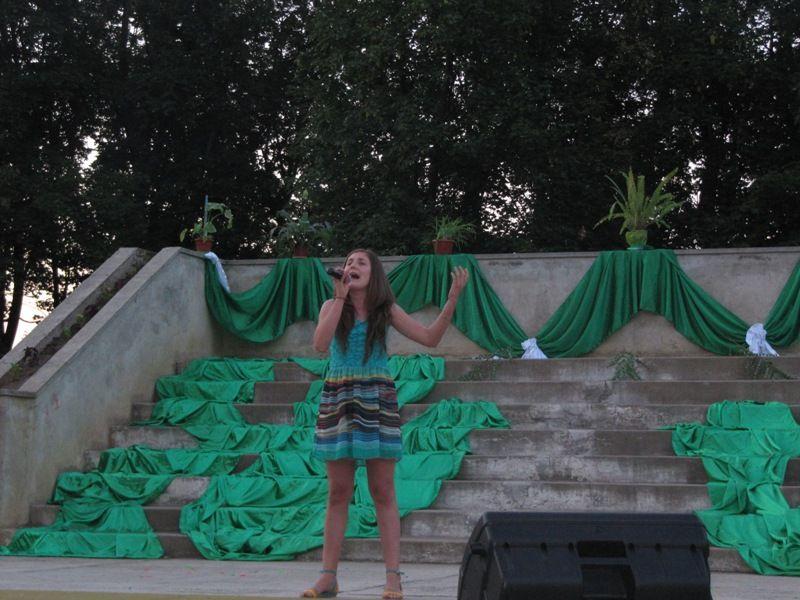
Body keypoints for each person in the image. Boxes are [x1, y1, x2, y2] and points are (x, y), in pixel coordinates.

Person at [301, 249, 468, 599]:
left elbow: (430, 338)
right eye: (349, 262)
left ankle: (394, 578)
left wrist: (452, 300)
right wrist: (339, 297)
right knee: (338, 491)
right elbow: (319, 344)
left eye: (360, 263)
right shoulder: (332, 305)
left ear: (374, 273)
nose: (352, 266)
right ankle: (328, 577)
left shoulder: (385, 309)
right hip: (339, 398)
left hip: (376, 399)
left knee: (383, 490)